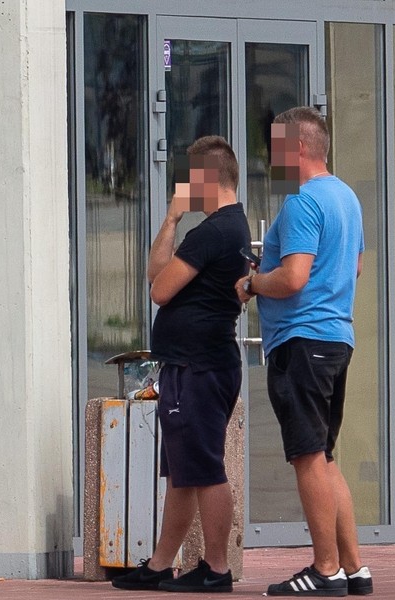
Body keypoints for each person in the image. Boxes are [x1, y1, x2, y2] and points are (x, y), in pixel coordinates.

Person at [236, 107, 371, 597]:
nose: (271, 159)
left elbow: (292, 279)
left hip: (301, 339)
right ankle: (354, 569)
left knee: (308, 456)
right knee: (324, 455)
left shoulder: (302, 203)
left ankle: (325, 569)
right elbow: (353, 267)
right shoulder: (347, 198)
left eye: (275, 148)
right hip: (336, 337)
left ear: (297, 149)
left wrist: (252, 281)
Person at [111, 135, 250, 594]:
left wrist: (175, 216)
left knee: (204, 468)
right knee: (184, 472)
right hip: (196, 364)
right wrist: (171, 219)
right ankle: (160, 563)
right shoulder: (227, 227)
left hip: (200, 366)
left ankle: (215, 567)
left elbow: (159, 291)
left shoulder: (215, 231)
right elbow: (157, 273)